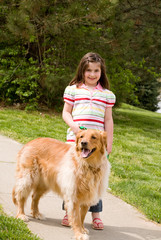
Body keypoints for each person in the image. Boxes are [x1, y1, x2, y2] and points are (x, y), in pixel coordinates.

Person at [61, 52, 116, 230]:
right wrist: (76, 130)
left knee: (96, 180)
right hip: (74, 142)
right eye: (88, 70)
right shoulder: (73, 89)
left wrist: (109, 143)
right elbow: (66, 112)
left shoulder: (107, 95)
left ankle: (96, 215)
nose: (92, 74)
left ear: (102, 72)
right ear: (82, 71)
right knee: (73, 179)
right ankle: (69, 212)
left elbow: (108, 120)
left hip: (96, 144)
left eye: (96, 71)